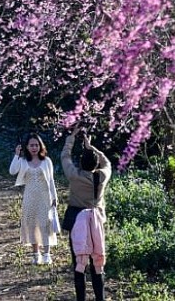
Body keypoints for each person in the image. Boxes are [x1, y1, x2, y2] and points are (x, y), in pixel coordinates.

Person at [61, 126, 112, 301]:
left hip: (77, 222)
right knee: (97, 262)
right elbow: (107, 163)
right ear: (96, 164)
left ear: (81, 163)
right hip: (96, 222)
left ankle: (81, 298)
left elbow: (65, 157)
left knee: (79, 264)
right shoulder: (102, 177)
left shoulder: (74, 176)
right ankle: (100, 298)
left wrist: (71, 139)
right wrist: (91, 147)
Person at [9, 133, 59, 265]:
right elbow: (12, 171)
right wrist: (17, 155)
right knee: (32, 225)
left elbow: (51, 180)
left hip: (45, 197)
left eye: (37, 145)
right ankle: (36, 254)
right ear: (26, 146)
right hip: (30, 197)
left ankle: (47, 254)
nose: (34, 147)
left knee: (45, 225)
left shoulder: (46, 161)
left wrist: (55, 197)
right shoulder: (23, 161)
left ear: (40, 146)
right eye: (31, 145)